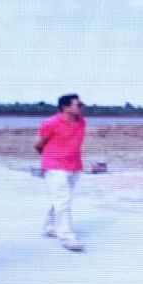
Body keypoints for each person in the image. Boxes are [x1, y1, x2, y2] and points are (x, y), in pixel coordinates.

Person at [35, 94, 86, 251]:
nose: (82, 107)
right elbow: (38, 144)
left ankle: (49, 226)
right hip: (55, 165)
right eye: (78, 105)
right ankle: (67, 237)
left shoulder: (81, 122)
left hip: (74, 165)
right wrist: (50, 159)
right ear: (65, 107)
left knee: (61, 199)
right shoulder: (51, 123)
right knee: (63, 199)